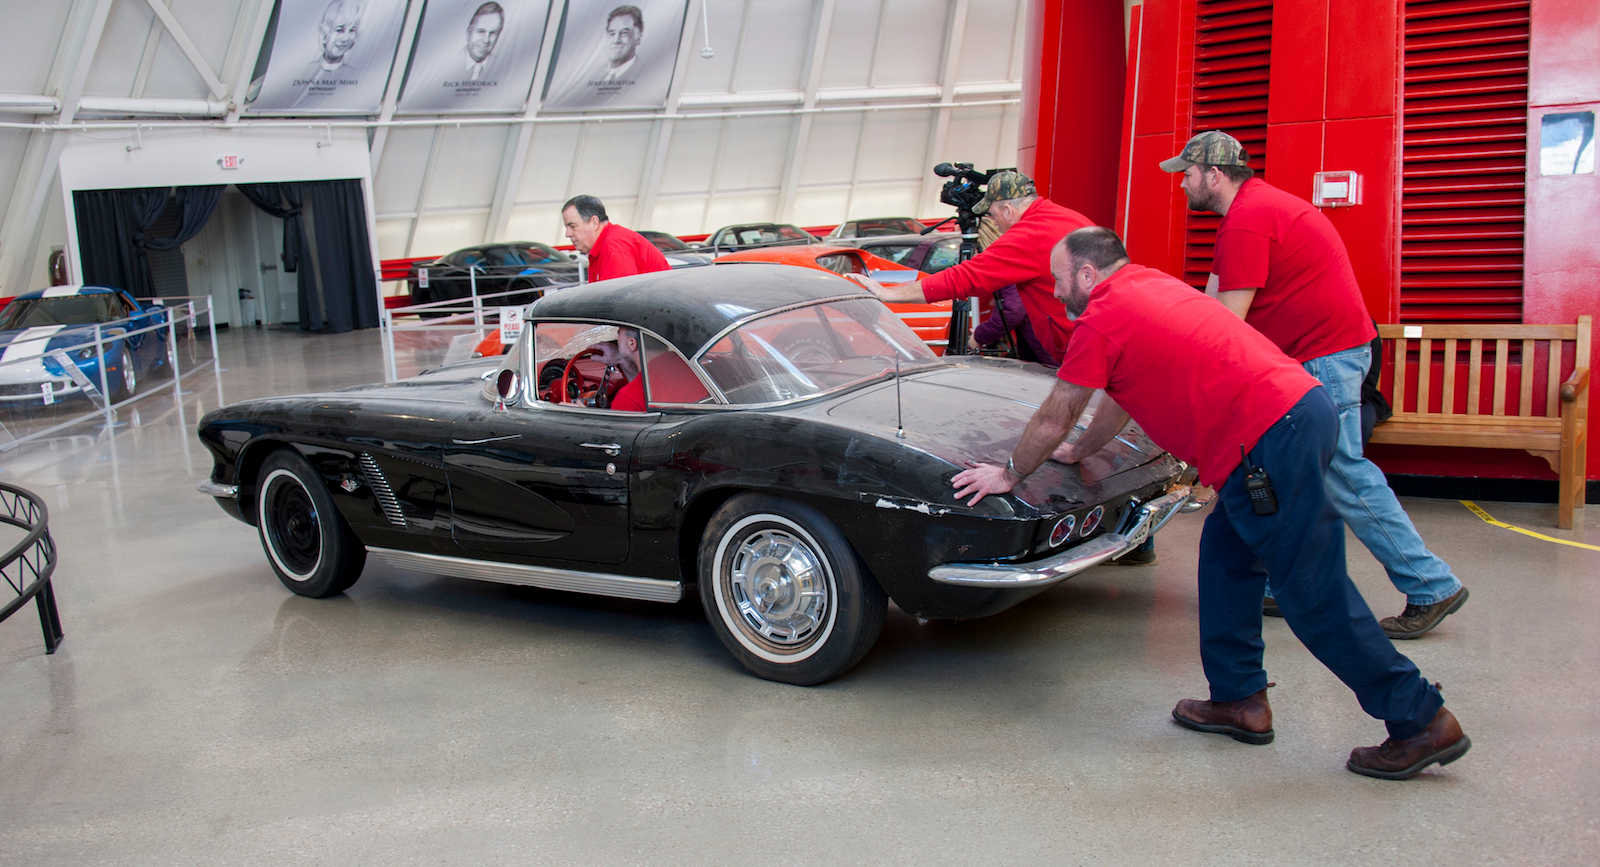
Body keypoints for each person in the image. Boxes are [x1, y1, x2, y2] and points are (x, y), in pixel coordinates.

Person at [952, 227, 1471, 780]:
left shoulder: (1102, 316)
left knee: (1312, 591)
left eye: (1057, 279)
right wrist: (1082, 448)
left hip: (1268, 439)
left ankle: (1419, 719)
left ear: (1086, 274)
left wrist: (1010, 473)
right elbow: (1118, 393)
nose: (1054, 291)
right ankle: (1239, 700)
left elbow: (1056, 411)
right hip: (1293, 415)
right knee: (1226, 562)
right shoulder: (1147, 288)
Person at [1161, 130, 1467, 639]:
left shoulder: (1249, 220)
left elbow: (1226, 326)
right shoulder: (1252, 211)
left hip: (1323, 358)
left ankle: (1430, 582)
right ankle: (1284, 582)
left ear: (1213, 175)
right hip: (1320, 353)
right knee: (1285, 469)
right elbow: (1211, 299)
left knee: (1340, 473)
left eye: (1187, 174)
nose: (1182, 184)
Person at [851, 171, 1088, 366]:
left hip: (1076, 347)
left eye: (993, 215)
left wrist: (888, 293)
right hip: (1096, 333)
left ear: (1008, 210)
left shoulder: (1029, 235)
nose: (994, 222)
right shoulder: (1065, 217)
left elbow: (964, 278)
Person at [560, 194, 670, 282]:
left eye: (572, 226)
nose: (567, 234)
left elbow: (619, 303)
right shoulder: (603, 248)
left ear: (594, 222)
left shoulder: (614, 248)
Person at [463, 2, 505, 82]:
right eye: (481, 32)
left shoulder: (504, 66)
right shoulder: (445, 65)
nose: (486, 40)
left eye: (493, 33)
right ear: (469, 32)